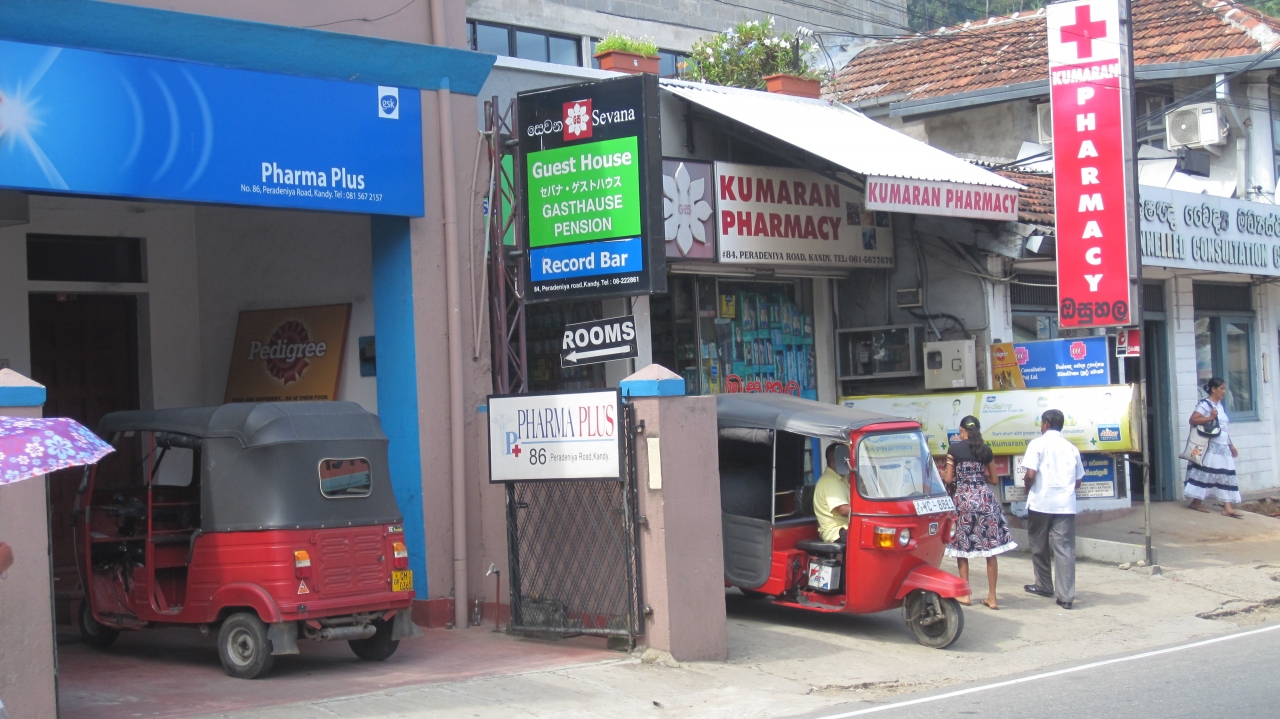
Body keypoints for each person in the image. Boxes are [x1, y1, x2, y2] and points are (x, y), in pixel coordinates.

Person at [941, 417, 1016, 609]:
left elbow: (948, 480)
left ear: (961, 430)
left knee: (962, 547)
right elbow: (994, 479)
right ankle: (992, 597)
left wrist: (946, 475)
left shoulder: (954, 449)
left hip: (964, 501)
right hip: (985, 500)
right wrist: (978, 476)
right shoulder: (985, 450)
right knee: (990, 550)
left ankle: (965, 594)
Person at [1021, 409, 1083, 610]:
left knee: (1038, 545)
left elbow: (1030, 474)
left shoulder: (1037, 444)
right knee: (1065, 549)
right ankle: (1066, 597)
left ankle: (1044, 585)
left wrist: (1027, 487)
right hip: (1065, 505)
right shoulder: (1071, 448)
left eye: (1041, 423)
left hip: (1041, 502)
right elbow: (1078, 481)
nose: (1041, 426)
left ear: (1046, 423)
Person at [1185, 377, 1244, 518]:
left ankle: (1227, 507)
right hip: (1210, 447)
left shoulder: (1219, 406)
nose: (1224, 391)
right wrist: (1210, 418)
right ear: (1213, 389)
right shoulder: (1205, 404)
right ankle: (1196, 502)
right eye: (1221, 388)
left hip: (1223, 446)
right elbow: (1193, 420)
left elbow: (1223, 428)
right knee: (1207, 474)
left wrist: (1231, 445)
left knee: (1224, 475)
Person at [814, 443, 852, 543]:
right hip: (836, 531)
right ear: (834, 462)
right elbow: (843, 510)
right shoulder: (830, 481)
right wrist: (867, 510)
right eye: (846, 461)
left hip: (846, 526)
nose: (849, 463)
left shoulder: (840, 478)